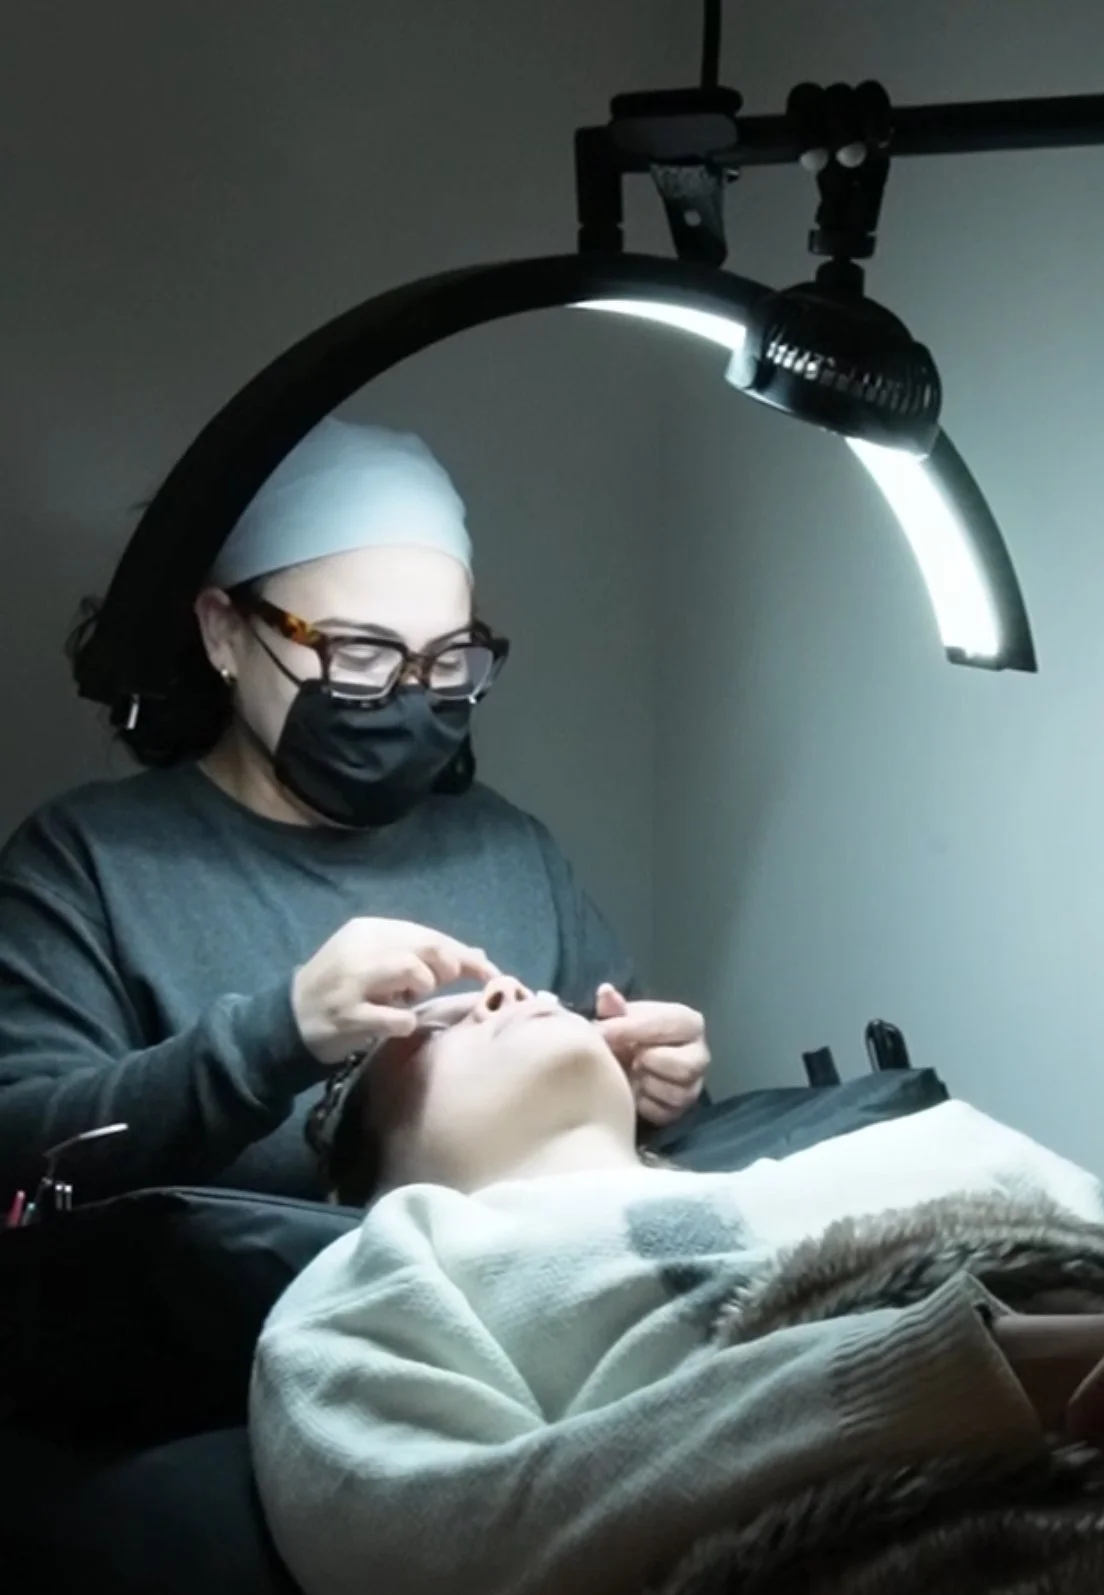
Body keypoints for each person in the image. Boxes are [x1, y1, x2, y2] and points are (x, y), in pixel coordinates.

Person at [251, 974, 1104, 1595]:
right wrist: (967, 1376)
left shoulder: (939, 1142)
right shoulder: (384, 1266)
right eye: (436, 1013)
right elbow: (442, 1551)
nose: (505, 989)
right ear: (355, 1151)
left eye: (521, 984)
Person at [0, 418, 709, 1203]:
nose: (411, 696)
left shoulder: (508, 853)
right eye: (361, 655)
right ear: (224, 632)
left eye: (448, 660)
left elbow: (615, 1151)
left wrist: (656, 1090)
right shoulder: (89, 865)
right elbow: (23, 1152)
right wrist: (276, 1037)